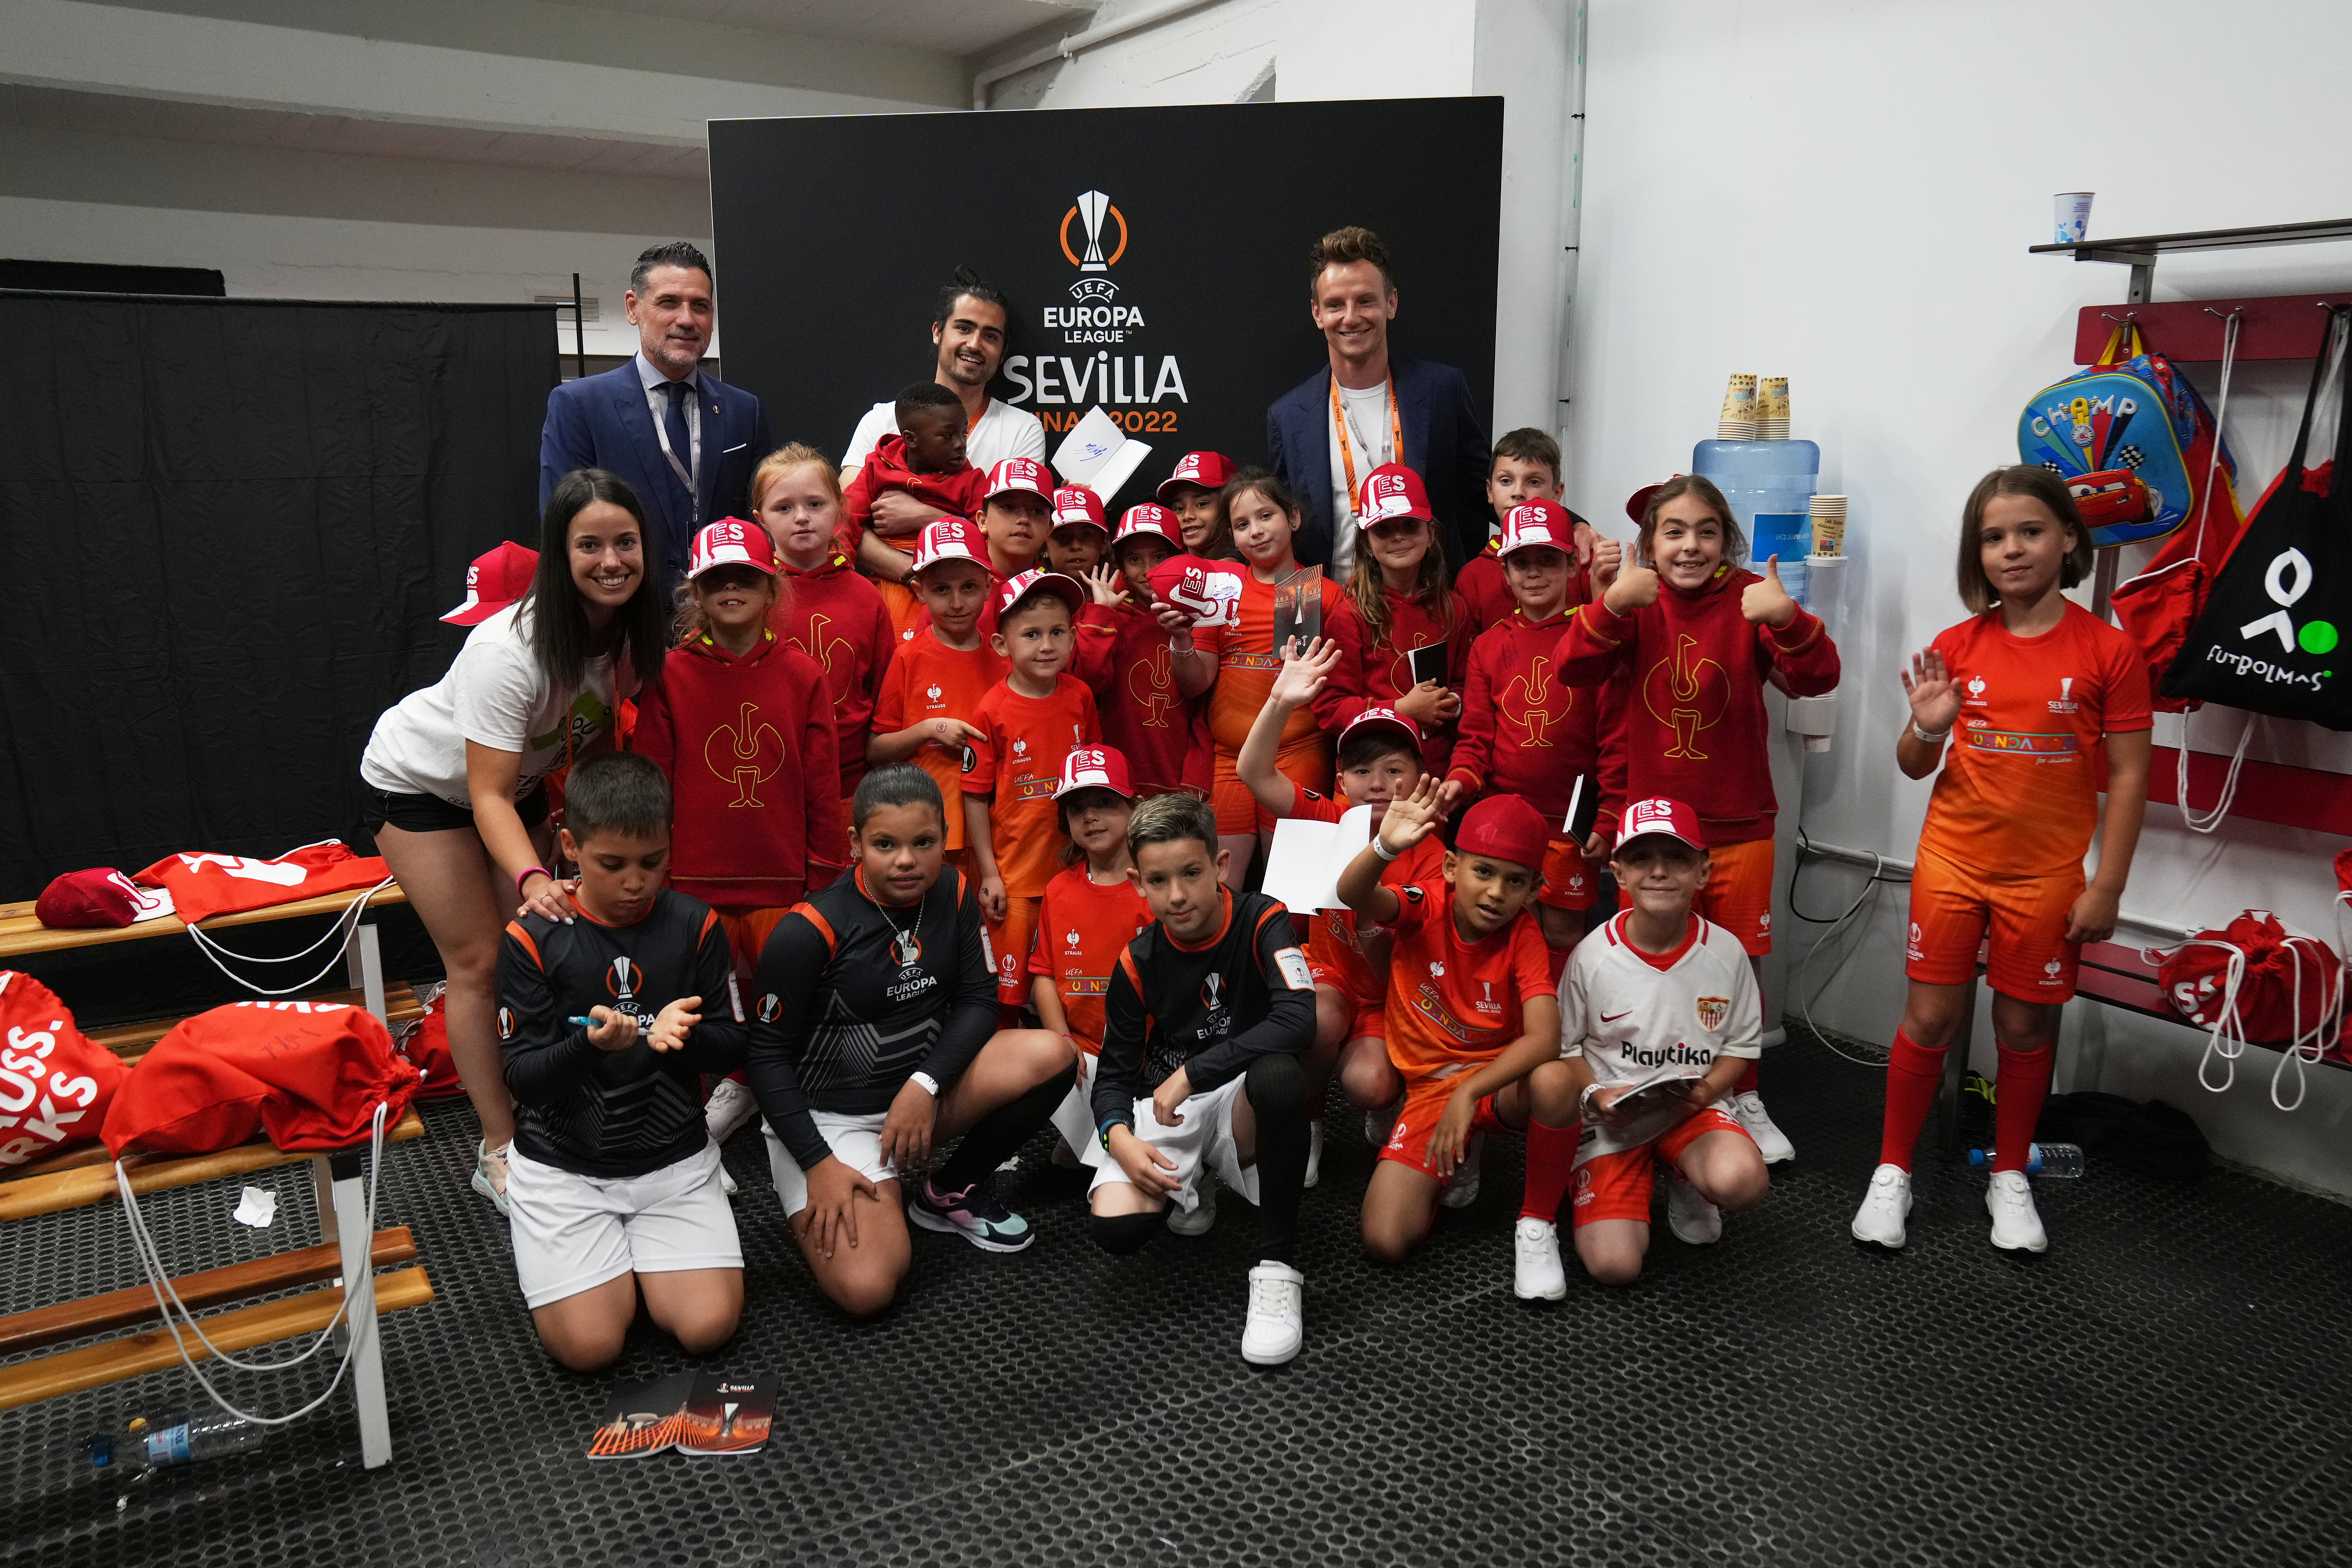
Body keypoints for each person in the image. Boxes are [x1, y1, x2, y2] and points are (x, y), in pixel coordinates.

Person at [1852, 466, 2150, 1255]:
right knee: (1930, 1019)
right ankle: (1891, 1171)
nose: (2010, 549)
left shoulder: (2109, 651)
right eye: (1991, 537)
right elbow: (1914, 763)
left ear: (2067, 539)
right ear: (1973, 552)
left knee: (2021, 1027)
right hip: (1951, 860)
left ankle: (2009, 1173)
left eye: (2028, 531)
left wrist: (2108, 884)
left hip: (2046, 877)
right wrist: (1925, 725)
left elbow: (2126, 777)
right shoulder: (1957, 646)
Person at [361, 469, 670, 1213]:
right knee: (479, 961)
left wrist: (583, 837)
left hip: (517, 784)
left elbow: (589, 740)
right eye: (588, 545)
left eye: (623, 542)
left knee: (551, 945)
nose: (610, 560)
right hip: (421, 787)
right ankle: (498, 1145)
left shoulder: (629, 634)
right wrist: (534, 874)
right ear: (558, 555)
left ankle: (552, 1093)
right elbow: (485, 794)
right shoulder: (510, 649)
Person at [1554, 474, 1842, 1165]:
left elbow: (1817, 677)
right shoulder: (1633, 599)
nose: (1689, 546)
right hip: (1654, 832)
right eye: (1673, 532)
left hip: (1738, 821)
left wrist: (1786, 618)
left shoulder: (1748, 598)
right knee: (1646, 970)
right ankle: (1639, 1093)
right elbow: (1570, 671)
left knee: (1737, 965)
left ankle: (1740, 1094)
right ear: (1650, 543)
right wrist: (1609, 605)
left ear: (1726, 541)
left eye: (1705, 531)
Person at [746, 765, 1077, 1317]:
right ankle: (856, 1191)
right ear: (855, 844)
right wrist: (818, 1162)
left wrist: (924, 1085)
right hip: (831, 1123)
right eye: (885, 844)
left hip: (919, 1098)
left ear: (943, 839)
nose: (906, 860)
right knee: (868, 1289)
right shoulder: (808, 930)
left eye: (923, 842)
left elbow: (979, 999)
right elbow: (764, 1055)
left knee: (1052, 1054)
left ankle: (946, 1190)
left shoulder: (951, 890)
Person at [495, 752, 745, 1372]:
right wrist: (589, 1046)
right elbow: (519, 1076)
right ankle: (602, 1261)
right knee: (590, 1349)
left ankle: (636, 1260)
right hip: (564, 1172)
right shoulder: (532, 935)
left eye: (652, 862)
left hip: (674, 1164)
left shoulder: (697, 925)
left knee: (708, 1327)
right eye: (613, 864)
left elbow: (737, 1045)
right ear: (570, 846)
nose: (635, 882)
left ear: (669, 846)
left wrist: (681, 1035)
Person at [1087, 792, 1317, 1366]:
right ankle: (1197, 1180)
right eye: (1159, 880)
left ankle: (1276, 1269)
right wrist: (1119, 1136)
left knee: (1281, 1076)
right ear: (1138, 882)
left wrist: (1195, 1071)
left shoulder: (1264, 917)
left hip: (1239, 1095)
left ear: (1220, 866)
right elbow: (1113, 1075)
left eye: (1191, 873)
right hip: (1172, 1107)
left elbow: (1298, 1017)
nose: (1177, 896)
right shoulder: (1136, 961)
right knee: (1116, 1230)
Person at [1530, 796, 1771, 1290]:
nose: (1659, 872)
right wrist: (1595, 1095)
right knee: (1614, 1267)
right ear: (1617, 873)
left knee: (1743, 1181)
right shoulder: (1592, 955)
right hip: (1612, 1118)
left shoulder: (1725, 953)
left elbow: (1741, 1048)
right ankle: (1619, 1178)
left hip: (1691, 1110)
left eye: (1677, 858)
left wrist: (1706, 1093)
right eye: (1642, 858)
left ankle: (1686, 1178)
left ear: (1702, 872)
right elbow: (1567, 1048)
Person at [1332, 782, 1570, 1278]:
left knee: (1556, 1079)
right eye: (1482, 871)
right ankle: (1451, 1161)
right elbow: (1352, 893)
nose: (1495, 893)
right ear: (1450, 868)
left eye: (1514, 881)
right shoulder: (1426, 902)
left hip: (1495, 1080)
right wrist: (1386, 847)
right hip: (1430, 1089)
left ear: (1531, 892)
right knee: (1384, 1240)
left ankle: (1537, 1222)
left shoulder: (1522, 934)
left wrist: (1469, 1095)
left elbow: (1545, 1038)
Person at [1237, 639, 1442, 1180]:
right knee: (1315, 1017)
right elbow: (1254, 772)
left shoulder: (1431, 852)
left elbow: (1395, 948)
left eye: (1395, 770)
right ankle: (1306, 1120)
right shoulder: (1326, 817)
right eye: (1360, 770)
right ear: (1339, 780)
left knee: (1369, 1084)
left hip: (1391, 992)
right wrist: (1280, 701)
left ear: (1420, 775)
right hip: (1329, 974)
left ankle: (1382, 1103)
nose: (1377, 783)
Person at [631, 519, 844, 975]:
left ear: (770, 590)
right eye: (714, 577)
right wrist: (656, 874)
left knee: (783, 1008)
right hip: (691, 886)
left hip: (784, 883)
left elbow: (823, 784)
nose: (731, 584)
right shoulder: (669, 675)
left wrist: (824, 873)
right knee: (703, 1011)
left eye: (746, 575)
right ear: (696, 593)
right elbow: (652, 784)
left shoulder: (803, 675)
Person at [1444, 501, 1623, 975]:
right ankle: (1512, 1026)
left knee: (1564, 931)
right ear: (1504, 573)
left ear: (1571, 565)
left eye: (1547, 560)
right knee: (1507, 925)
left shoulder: (1594, 637)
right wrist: (1458, 782)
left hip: (1569, 827)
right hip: (1508, 822)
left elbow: (1614, 738)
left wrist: (1607, 817)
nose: (1534, 573)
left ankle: (1561, 1031)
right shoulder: (1488, 645)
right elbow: (1475, 738)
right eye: (1521, 562)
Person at [1264, 226, 1492, 577]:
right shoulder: (1288, 416)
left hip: (1428, 608)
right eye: (1335, 305)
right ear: (1317, 313)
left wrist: (1571, 526)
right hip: (1335, 614)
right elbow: (1281, 525)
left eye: (1366, 300)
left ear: (1392, 303)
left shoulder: (1443, 391)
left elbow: (1488, 491)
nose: (1351, 317)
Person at [538, 243, 769, 586]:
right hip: (625, 617)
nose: (687, 320)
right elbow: (563, 526)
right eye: (669, 302)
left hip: (722, 615)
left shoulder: (743, 410)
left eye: (700, 307)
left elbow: (762, 520)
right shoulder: (580, 405)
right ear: (633, 308)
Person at [1165, 467, 1346, 886]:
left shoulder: (1309, 590)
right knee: (1218, 887)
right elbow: (1196, 683)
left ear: (1293, 518)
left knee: (1291, 891)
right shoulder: (1222, 590)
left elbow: (1327, 692)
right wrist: (1180, 640)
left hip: (1295, 756)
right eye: (1242, 524)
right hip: (1229, 761)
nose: (1256, 531)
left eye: (1266, 516)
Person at [962, 570, 1103, 1010]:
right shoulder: (991, 709)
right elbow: (974, 794)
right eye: (1032, 634)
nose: (1046, 645)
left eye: (1057, 632)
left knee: (1067, 979)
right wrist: (989, 873)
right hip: (1016, 876)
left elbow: (1097, 781)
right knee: (1008, 992)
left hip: (1075, 872)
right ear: (1003, 645)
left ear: (1073, 636)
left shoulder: (1081, 695)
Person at [751, 444, 895, 814]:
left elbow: (886, 695)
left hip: (851, 786)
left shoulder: (867, 596)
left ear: (840, 510)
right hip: (767, 781)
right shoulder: (752, 596)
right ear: (761, 519)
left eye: (815, 504)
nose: (802, 517)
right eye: (784, 508)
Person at [1028, 747, 1153, 1165]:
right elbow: (1043, 974)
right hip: (1083, 1054)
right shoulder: (1058, 890)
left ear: (1133, 807)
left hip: (1150, 1055)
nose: (1091, 817)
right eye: (1078, 808)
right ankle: (1087, 1128)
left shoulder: (1155, 886)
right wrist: (1061, 1040)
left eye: (1105, 802)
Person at [866, 520, 1008, 871]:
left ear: (989, 588)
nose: (957, 603)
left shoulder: (1005, 661)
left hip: (996, 831)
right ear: (919, 590)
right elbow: (876, 749)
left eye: (970, 587)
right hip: (925, 828)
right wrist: (929, 729)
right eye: (942, 589)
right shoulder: (907, 658)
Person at [1315, 464, 1470, 777]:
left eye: (1410, 525)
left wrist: (1451, 701)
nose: (1398, 537)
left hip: (1435, 773)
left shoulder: (1454, 609)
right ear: (1366, 544)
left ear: (1431, 534)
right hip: (1370, 775)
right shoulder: (1349, 615)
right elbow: (1330, 708)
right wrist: (1401, 710)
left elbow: (1467, 683)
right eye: (1383, 529)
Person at [840, 266, 1046, 485]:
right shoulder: (882, 421)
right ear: (938, 333)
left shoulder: (1022, 430)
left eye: (990, 336)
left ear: (1003, 351)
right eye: (964, 329)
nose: (975, 345)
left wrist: (925, 515)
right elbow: (846, 510)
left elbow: (1018, 518)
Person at [843, 382, 991, 636]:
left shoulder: (973, 480)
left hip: (947, 588)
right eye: (948, 436)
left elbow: (987, 535)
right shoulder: (876, 468)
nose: (960, 444)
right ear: (911, 439)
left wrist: (930, 519)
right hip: (883, 584)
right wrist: (838, 570)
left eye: (964, 434)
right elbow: (845, 520)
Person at [1075, 502, 1199, 799]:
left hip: (1182, 773)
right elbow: (1090, 683)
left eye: (1159, 557)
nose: (1147, 571)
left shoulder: (1198, 616)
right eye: (1134, 559)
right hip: (1121, 776)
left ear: (1179, 558)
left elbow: (1208, 710)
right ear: (1121, 565)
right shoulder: (1106, 616)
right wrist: (1101, 615)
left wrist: (1199, 777)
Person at [1457, 428, 1602, 638]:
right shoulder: (1471, 577)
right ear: (1490, 491)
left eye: (1533, 482)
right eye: (1506, 481)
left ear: (1556, 493)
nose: (1518, 492)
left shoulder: (1582, 559)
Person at [1158, 450, 1238, 559]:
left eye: (1201, 504)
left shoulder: (1258, 567)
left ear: (1231, 504)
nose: (1188, 516)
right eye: (1179, 508)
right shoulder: (1167, 569)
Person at [1043, 486, 1111, 578]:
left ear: (1104, 543)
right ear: (1044, 548)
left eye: (1086, 534)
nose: (1076, 547)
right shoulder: (1025, 591)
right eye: (1063, 536)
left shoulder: (1125, 591)